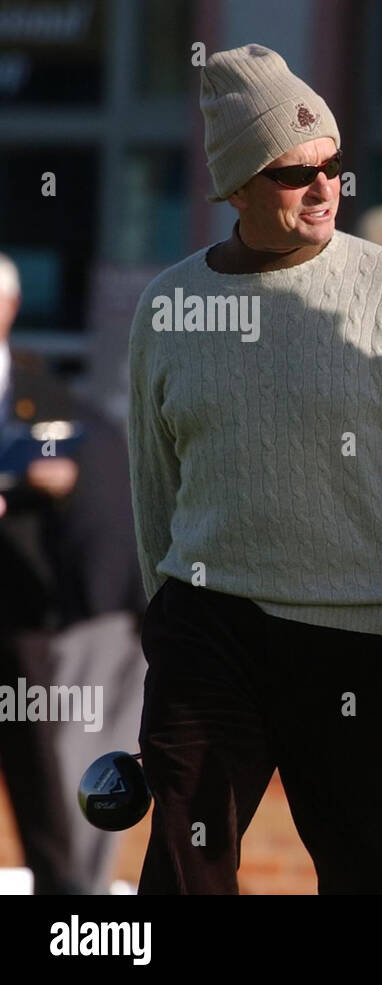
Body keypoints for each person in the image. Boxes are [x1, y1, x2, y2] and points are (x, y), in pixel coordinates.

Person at [126, 44, 382, 894]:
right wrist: (164, 616)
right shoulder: (168, 306)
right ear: (234, 185)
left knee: (378, 875)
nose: (323, 188)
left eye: (334, 166)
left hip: (361, 636)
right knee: (182, 871)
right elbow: (153, 489)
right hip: (210, 627)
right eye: (292, 173)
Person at [0, 252, 146, 894]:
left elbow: (82, 486)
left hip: (25, 622)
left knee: (50, 790)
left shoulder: (56, 403)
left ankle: (71, 924)